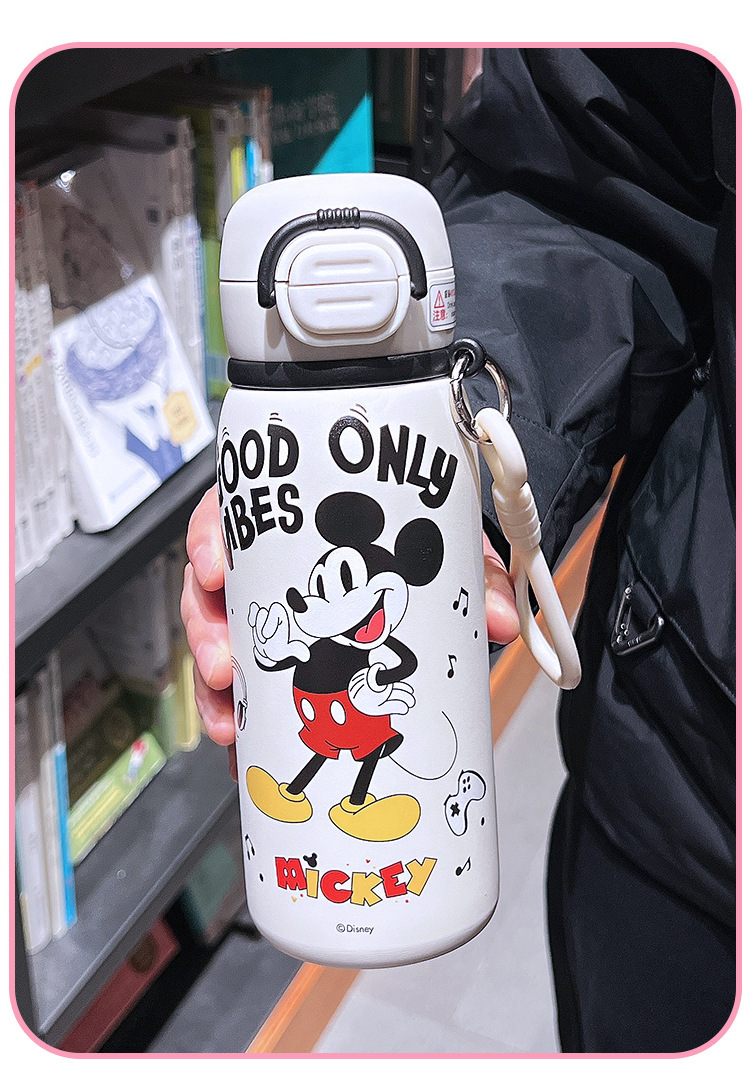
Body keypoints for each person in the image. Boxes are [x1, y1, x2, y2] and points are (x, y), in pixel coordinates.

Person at [181, 48, 735, 1054]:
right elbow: (599, 174)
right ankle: (315, 798)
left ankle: (348, 796)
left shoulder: (378, 621)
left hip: (679, 767)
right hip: (684, 814)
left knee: (370, 745)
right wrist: (471, 428)